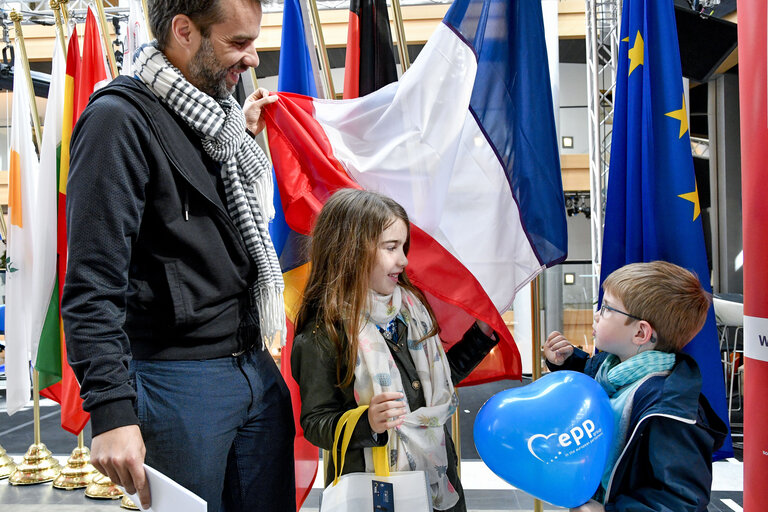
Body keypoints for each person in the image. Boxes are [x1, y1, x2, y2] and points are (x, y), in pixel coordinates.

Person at [61, 0, 295, 510]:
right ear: (184, 31)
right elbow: (91, 286)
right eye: (238, 43)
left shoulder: (222, 117)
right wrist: (112, 412)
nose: (253, 59)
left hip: (255, 367)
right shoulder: (116, 122)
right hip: (178, 387)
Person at [291, 189, 499, 512]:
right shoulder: (323, 333)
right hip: (375, 490)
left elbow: (439, 377)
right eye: (391, 248)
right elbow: (316, 422)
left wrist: (481, 335)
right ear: (352, 251)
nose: (403, 260)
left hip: (441, 487)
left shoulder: (411, 310)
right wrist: (367, 422)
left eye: (404, 247)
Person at [543, 261, 727, 512]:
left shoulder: (670, 409)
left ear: (641, 333)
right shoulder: (610, 368)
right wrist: (568, 362)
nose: (597, 314)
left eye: (607, 308)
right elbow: (595, 386)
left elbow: (681, 502)